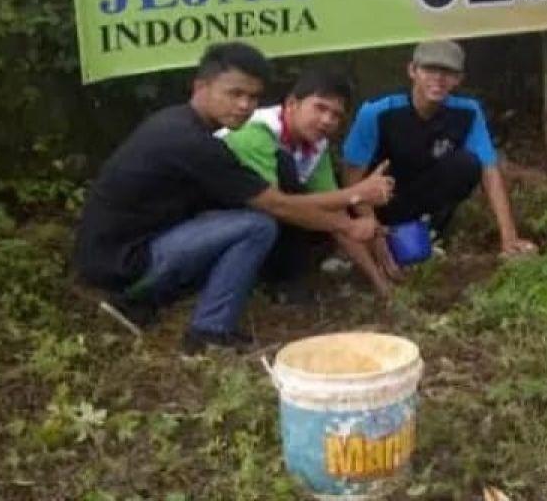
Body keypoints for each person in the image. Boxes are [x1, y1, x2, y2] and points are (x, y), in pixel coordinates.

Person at [72, 42, 394, 354]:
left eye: (252, 96)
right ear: (201, 87)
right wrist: (354, 208)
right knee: (258, 226)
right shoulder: (194, 143)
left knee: (242, 215)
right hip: (123, 264)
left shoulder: (179, 124)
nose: (244, 105)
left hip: (118, 251)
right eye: (234, 93)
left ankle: (150, 301)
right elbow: (278, 206)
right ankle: (208, 330)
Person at [219, 62, 401, 302]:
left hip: (257, 220)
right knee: (287, 178)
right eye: (320, 108)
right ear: (292, 104)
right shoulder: (256, 132)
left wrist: (380, 281)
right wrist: (357, 194)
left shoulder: (315, 144)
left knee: (315, 211)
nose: (327, 120)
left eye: (336, 115)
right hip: (213, 219)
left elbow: (335, 212)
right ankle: (275, 282)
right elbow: (279, 206)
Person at [341, 40, 538, 259]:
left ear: (458, 79)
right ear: (412, 71)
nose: (438, 78)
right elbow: (351, 179)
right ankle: (378, 240)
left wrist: (509, 237)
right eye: (429, 69)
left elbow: (489, 171)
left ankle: (429, 233)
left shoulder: (468, 111)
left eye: (447, 72)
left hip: (420, 192)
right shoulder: (377, 111)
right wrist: (374, 232)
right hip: (377, 200)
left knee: (467, 164)